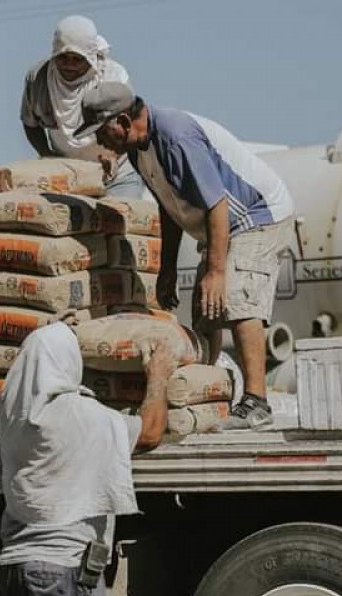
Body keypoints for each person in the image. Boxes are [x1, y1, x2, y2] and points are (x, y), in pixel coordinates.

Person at [75, 82, 296, 430]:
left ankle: (257, 403)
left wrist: (217, 271)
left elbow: (217, 204)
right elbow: (170, 208)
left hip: (257, 215)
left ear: (121, 121)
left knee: (236, 297)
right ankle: (213, 392)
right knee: (207, 310)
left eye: (101, 132)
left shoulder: (176, 138)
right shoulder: (138, 149)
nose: (100, 142)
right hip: (223, 224)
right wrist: (167, 270)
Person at [0, 318, 176, 596]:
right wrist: (158, 376)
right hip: (58, 570)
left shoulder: (13, 416)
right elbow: (150, 432)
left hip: (14, 566)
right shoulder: (76, 414)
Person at [20, 15, 144, 199]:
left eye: (77, 59)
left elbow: (131, 130)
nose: (69, 65)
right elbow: (31, 124)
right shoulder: (39, 80)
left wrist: (114, 155)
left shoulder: (114, 79)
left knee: (116, 223)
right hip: (67, 175)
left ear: (91, 57)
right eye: (63, 57)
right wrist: (47, 155)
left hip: (116, 176)